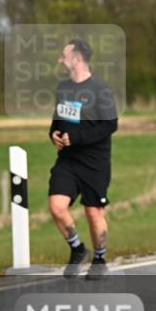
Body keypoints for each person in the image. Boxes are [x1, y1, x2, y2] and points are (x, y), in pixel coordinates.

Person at [47, 39, 118, 278]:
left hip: (94, 163)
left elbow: (110, 125)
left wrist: (76, 138)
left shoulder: (101, 90)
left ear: (77, 58)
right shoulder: (63, 88)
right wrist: (53, 135)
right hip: (68, 161)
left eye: (63, 55)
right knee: (57, 206)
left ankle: (100, 259)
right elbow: (57, 121)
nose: (60, 59)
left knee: (93, 213)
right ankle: (78, 249)